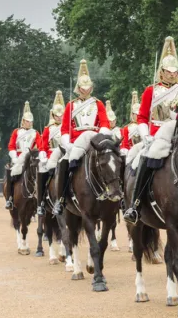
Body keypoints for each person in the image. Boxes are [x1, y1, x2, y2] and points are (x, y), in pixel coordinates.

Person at [122, 37, 178, 224]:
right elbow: (141, 117)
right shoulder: (151, 91)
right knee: (145, 158)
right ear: (161, 72)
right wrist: (145, 135)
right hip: (156, 136)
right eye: (168, 72)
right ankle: (135, 204)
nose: (172, 75)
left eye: (175, 72)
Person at [52, 60, 111, 215]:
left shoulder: (98, 104)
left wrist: (101, 138)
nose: (85, 90)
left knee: (113, 160)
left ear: (91, 87)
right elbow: (65, 128)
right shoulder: (70, 105)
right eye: (83, 88)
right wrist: (67, 144)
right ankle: (61, 199)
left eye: (88, 87)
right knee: (64, 162)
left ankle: (119, 194)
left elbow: (104, 123)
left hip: (95, 140)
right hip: (76, 143)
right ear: (78, 88)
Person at [5, 101, 42, 209]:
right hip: (18, 158)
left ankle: (41, 200)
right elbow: (11, 146)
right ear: (23, 121)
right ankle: (10, 198)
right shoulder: (16, 132)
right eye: (27, 121)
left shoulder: (35, 133)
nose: (29, 123)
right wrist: (14, 157)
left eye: (30, 122)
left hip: (30, 158)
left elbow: (40, 146)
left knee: (40, 173)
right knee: (12, 173)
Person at [36, 91, 65, 215]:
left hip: (65, 153)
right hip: (51, 156)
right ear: (53, 115)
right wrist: (43, 156)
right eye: (57, 115)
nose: (59, 117)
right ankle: (41, 202)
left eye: (61, 115)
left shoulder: (68, 127)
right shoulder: (48, 129)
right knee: (42, 172)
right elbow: (42, 145)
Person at [120, 91, 142, 156]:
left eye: (139, 114)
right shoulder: (126, 128)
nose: (138, 116)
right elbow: (125, 145)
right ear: (132, 114)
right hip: (131, 153)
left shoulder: (146, 125)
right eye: (136, 114)